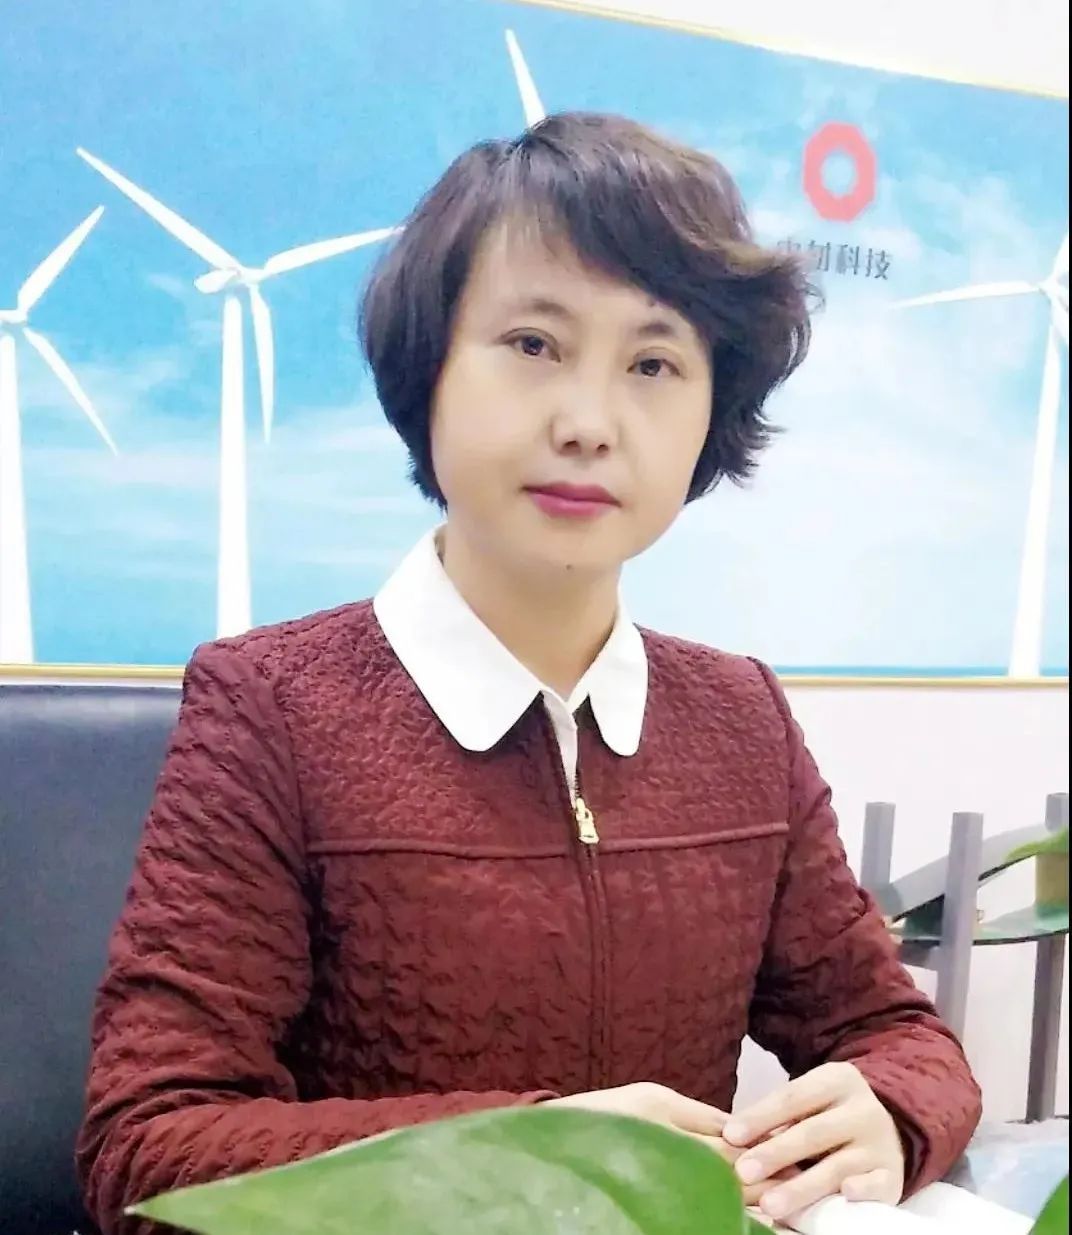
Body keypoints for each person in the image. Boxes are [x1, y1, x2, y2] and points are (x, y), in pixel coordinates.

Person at [77, 112, 982, 1233]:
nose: (589, 423)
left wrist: (889, 1107)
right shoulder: (270, 707)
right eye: (534, 345)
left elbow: (895, 1033)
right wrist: (531, 1158)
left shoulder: (740, 716)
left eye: (653, 363)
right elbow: (148, 1143)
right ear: (429, 371)